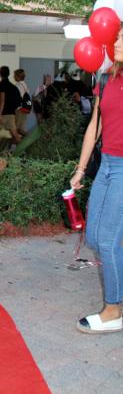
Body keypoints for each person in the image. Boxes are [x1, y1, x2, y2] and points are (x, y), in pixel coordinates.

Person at [70, 25, 123, 334]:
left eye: (121, 38)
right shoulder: (106, 79)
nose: (114, 41)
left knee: (108, 240)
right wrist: (81, 168)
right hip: (105, 166)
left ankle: (114, 310)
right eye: (115, 36)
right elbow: (95, 126)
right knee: (94, 237)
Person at [0, 66, 22, 143]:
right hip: (11, 113)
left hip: (3, 113)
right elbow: (19, 101)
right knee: (14, 134)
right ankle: (22, 150)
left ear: (0, 74)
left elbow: (2, 100)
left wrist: (0, 114)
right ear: (8, 74)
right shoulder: (13, 86)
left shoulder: (2, 84)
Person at [13, 68, 31, 136]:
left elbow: (17, 98)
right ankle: (26, 140)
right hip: (24, 108)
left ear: (18, 76)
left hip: (19, 109)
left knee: (16, 128)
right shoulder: (25, 85)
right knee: (21, 128)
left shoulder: (18, 85)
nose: (14, 77)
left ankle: (15, 145)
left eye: (15, 75)